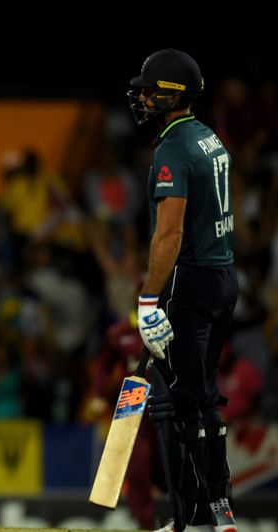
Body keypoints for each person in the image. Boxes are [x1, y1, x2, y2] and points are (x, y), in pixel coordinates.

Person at [128, 49, 239, 532]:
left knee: (181, 404)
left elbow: (168, 235)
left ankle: (195, 519)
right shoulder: (209, 136)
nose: (144, 96)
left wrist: (149, 301)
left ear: (172, 94)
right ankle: (218, 510)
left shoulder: (172, 147)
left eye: (152, 89)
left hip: (188, 284)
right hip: (223, 279)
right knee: (204, 399)